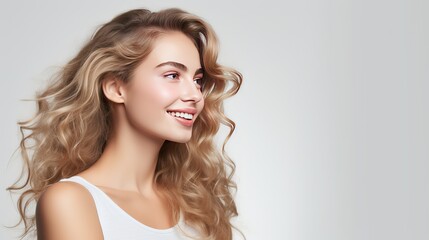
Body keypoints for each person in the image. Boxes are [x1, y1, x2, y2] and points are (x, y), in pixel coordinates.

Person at [8, 8, 242, 240]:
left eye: (197, 80)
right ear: (115, 88)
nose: (196, 95)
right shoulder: (71, 201)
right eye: (172, 75)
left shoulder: (197, 206)